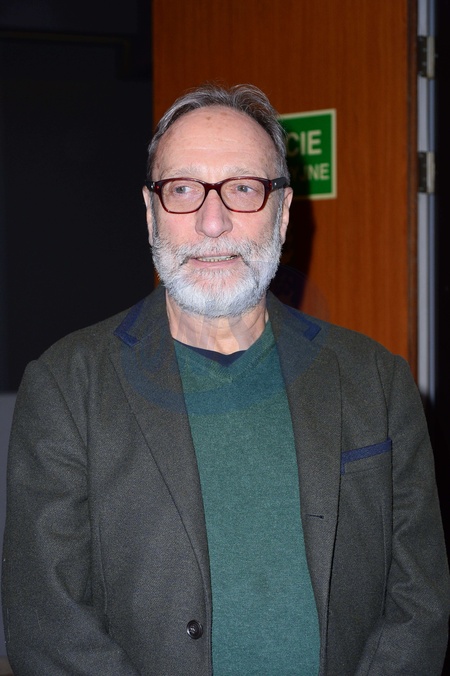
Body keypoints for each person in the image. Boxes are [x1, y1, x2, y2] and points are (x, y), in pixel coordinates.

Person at [2, 83, 449, 676]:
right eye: (183, 189)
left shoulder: (378, 381)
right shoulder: (65, 388)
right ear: (151, 213)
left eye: (242, 188)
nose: (212, 223)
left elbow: (419, 605)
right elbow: (47, 627)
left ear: (282, 214)